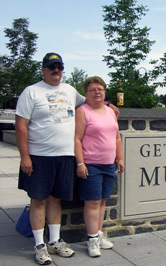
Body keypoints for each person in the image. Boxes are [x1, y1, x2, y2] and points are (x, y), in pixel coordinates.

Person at [15, 53, 118, 265]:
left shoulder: (70, 91)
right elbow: (21, 125)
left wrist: (107, 103)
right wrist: (25, 156)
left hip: (64, 156)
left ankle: (54, 241)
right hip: (39, 156)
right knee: (38, 200)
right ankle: (39, 246)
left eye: (59, 67)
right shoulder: (31, 92)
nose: (56, 70)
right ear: (43, 69)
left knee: (55, 200)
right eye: (51, 67)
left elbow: (90, 100)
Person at [74, 76, 125, 258]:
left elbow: (117, 136)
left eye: (100, 89)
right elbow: (77, 139)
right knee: (92, 202)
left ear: (104, 92)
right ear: (86, 94)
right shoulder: (83, 111)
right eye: (92, 90)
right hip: (91, 164)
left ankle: (99, 233)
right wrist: (80, 163)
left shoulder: (110, 111)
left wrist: (119, 158)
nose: (97, 92)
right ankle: (92, 240)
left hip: (108, 164)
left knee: (102, 201)